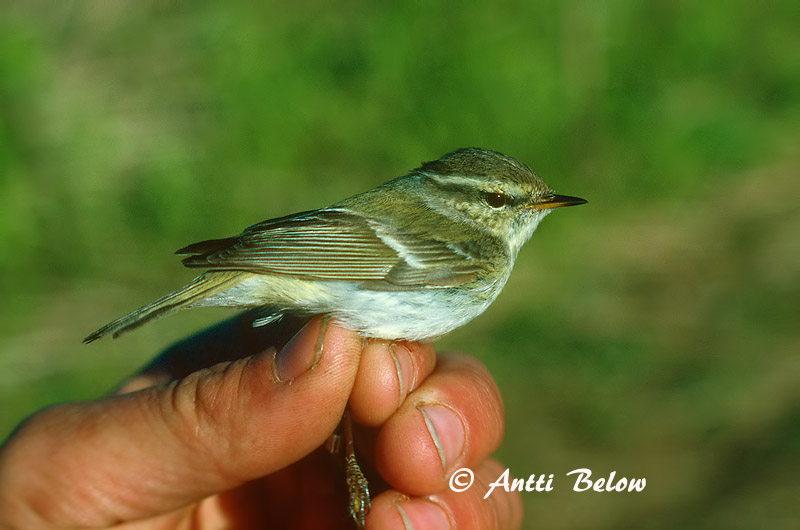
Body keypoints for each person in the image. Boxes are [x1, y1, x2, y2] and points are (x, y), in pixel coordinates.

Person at [0, 313, 521, 529]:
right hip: (325, 279)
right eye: (500, 201)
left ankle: (351, 458)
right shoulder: (479, 250)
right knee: (361, 379)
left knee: (371, 384)